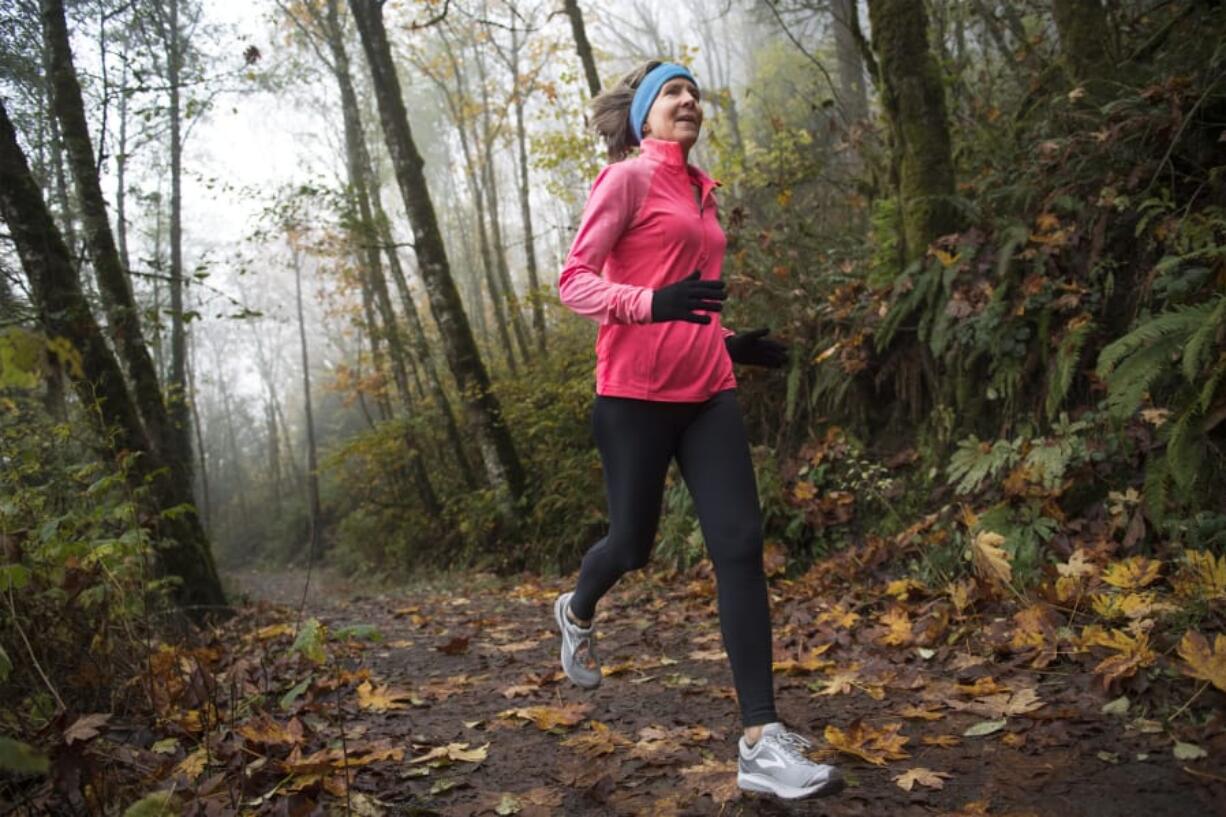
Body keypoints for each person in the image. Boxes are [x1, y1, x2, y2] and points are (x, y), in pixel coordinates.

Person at [552, 60, 844, 801]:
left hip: (708, 390)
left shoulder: (701, 190)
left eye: (695, 92)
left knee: (740, 546)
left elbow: (695, 299)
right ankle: (578, 606)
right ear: (646, 114)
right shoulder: (625, 180)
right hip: (634, 395)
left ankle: (760, 737)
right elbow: (574, 281)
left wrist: (730, 341)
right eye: (672, 92)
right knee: (633, 545)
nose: (689, 100)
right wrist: (653, 303)